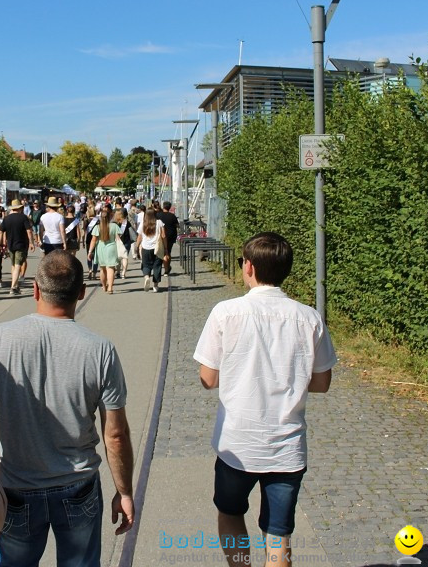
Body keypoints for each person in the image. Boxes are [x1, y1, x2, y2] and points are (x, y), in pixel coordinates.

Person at [0, 251, 135, 566]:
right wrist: (124, 491)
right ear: (82, 292)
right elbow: (116, 433)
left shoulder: (0, 338)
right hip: (78, 484)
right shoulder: (100, 349)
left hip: (17, 484)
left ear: (35, 289)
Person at [193, 232, 337, 567]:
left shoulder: (226, 312)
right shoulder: (309, 317)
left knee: (230, 512)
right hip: (286, 446)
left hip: (237, 444)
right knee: (278, 534)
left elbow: (208, 378)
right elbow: (322, 382)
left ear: (250, 267)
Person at [0, 199, 35, 295]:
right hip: (21, 244)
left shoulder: (6, 218)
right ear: (20, 208)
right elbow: (29, 231)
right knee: (18, 265)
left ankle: (15, 285)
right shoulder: (23, 218)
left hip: (10, 244)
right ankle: (13, 287)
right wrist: (32, 242)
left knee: (13, 265)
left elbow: (1, 230)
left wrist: (1, 243)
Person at [87, 204, 119, 294]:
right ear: (110, 216)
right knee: (111, 268)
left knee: (102, 269)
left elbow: (93, 240)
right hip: (112, 247)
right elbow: (118, 237)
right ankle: (110, 288)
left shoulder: (97, 227)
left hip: (101, 248)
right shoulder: (114, 226)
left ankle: (104, 286)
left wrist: (90, 251)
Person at [134, 209, 165, 292]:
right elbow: (163, 236)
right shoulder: (159, 222)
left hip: (145, 247)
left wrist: (136, 247)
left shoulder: (143, 224)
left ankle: (147, 277)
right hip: (157, 248)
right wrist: (166, 248)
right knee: (157, 266)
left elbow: (139, 237)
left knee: (146, 265)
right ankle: (155, 285)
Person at [156, 201, 180, 290]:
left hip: (161, 236)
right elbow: (177, 225)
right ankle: (167, 269)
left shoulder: (158, 215)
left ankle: (163, 267)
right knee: (168, 251)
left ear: (163, 206)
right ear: (169, 207)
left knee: (160, 251)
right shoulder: (172, 216)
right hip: (171, 236)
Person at [114, 208, 135, 280]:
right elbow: (131, 231)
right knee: (125, 257)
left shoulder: (116, 223)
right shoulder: (127, 222)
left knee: (118, 258)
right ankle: (123, 273)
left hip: (117, 242)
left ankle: (118, 272)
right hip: (126, 242)